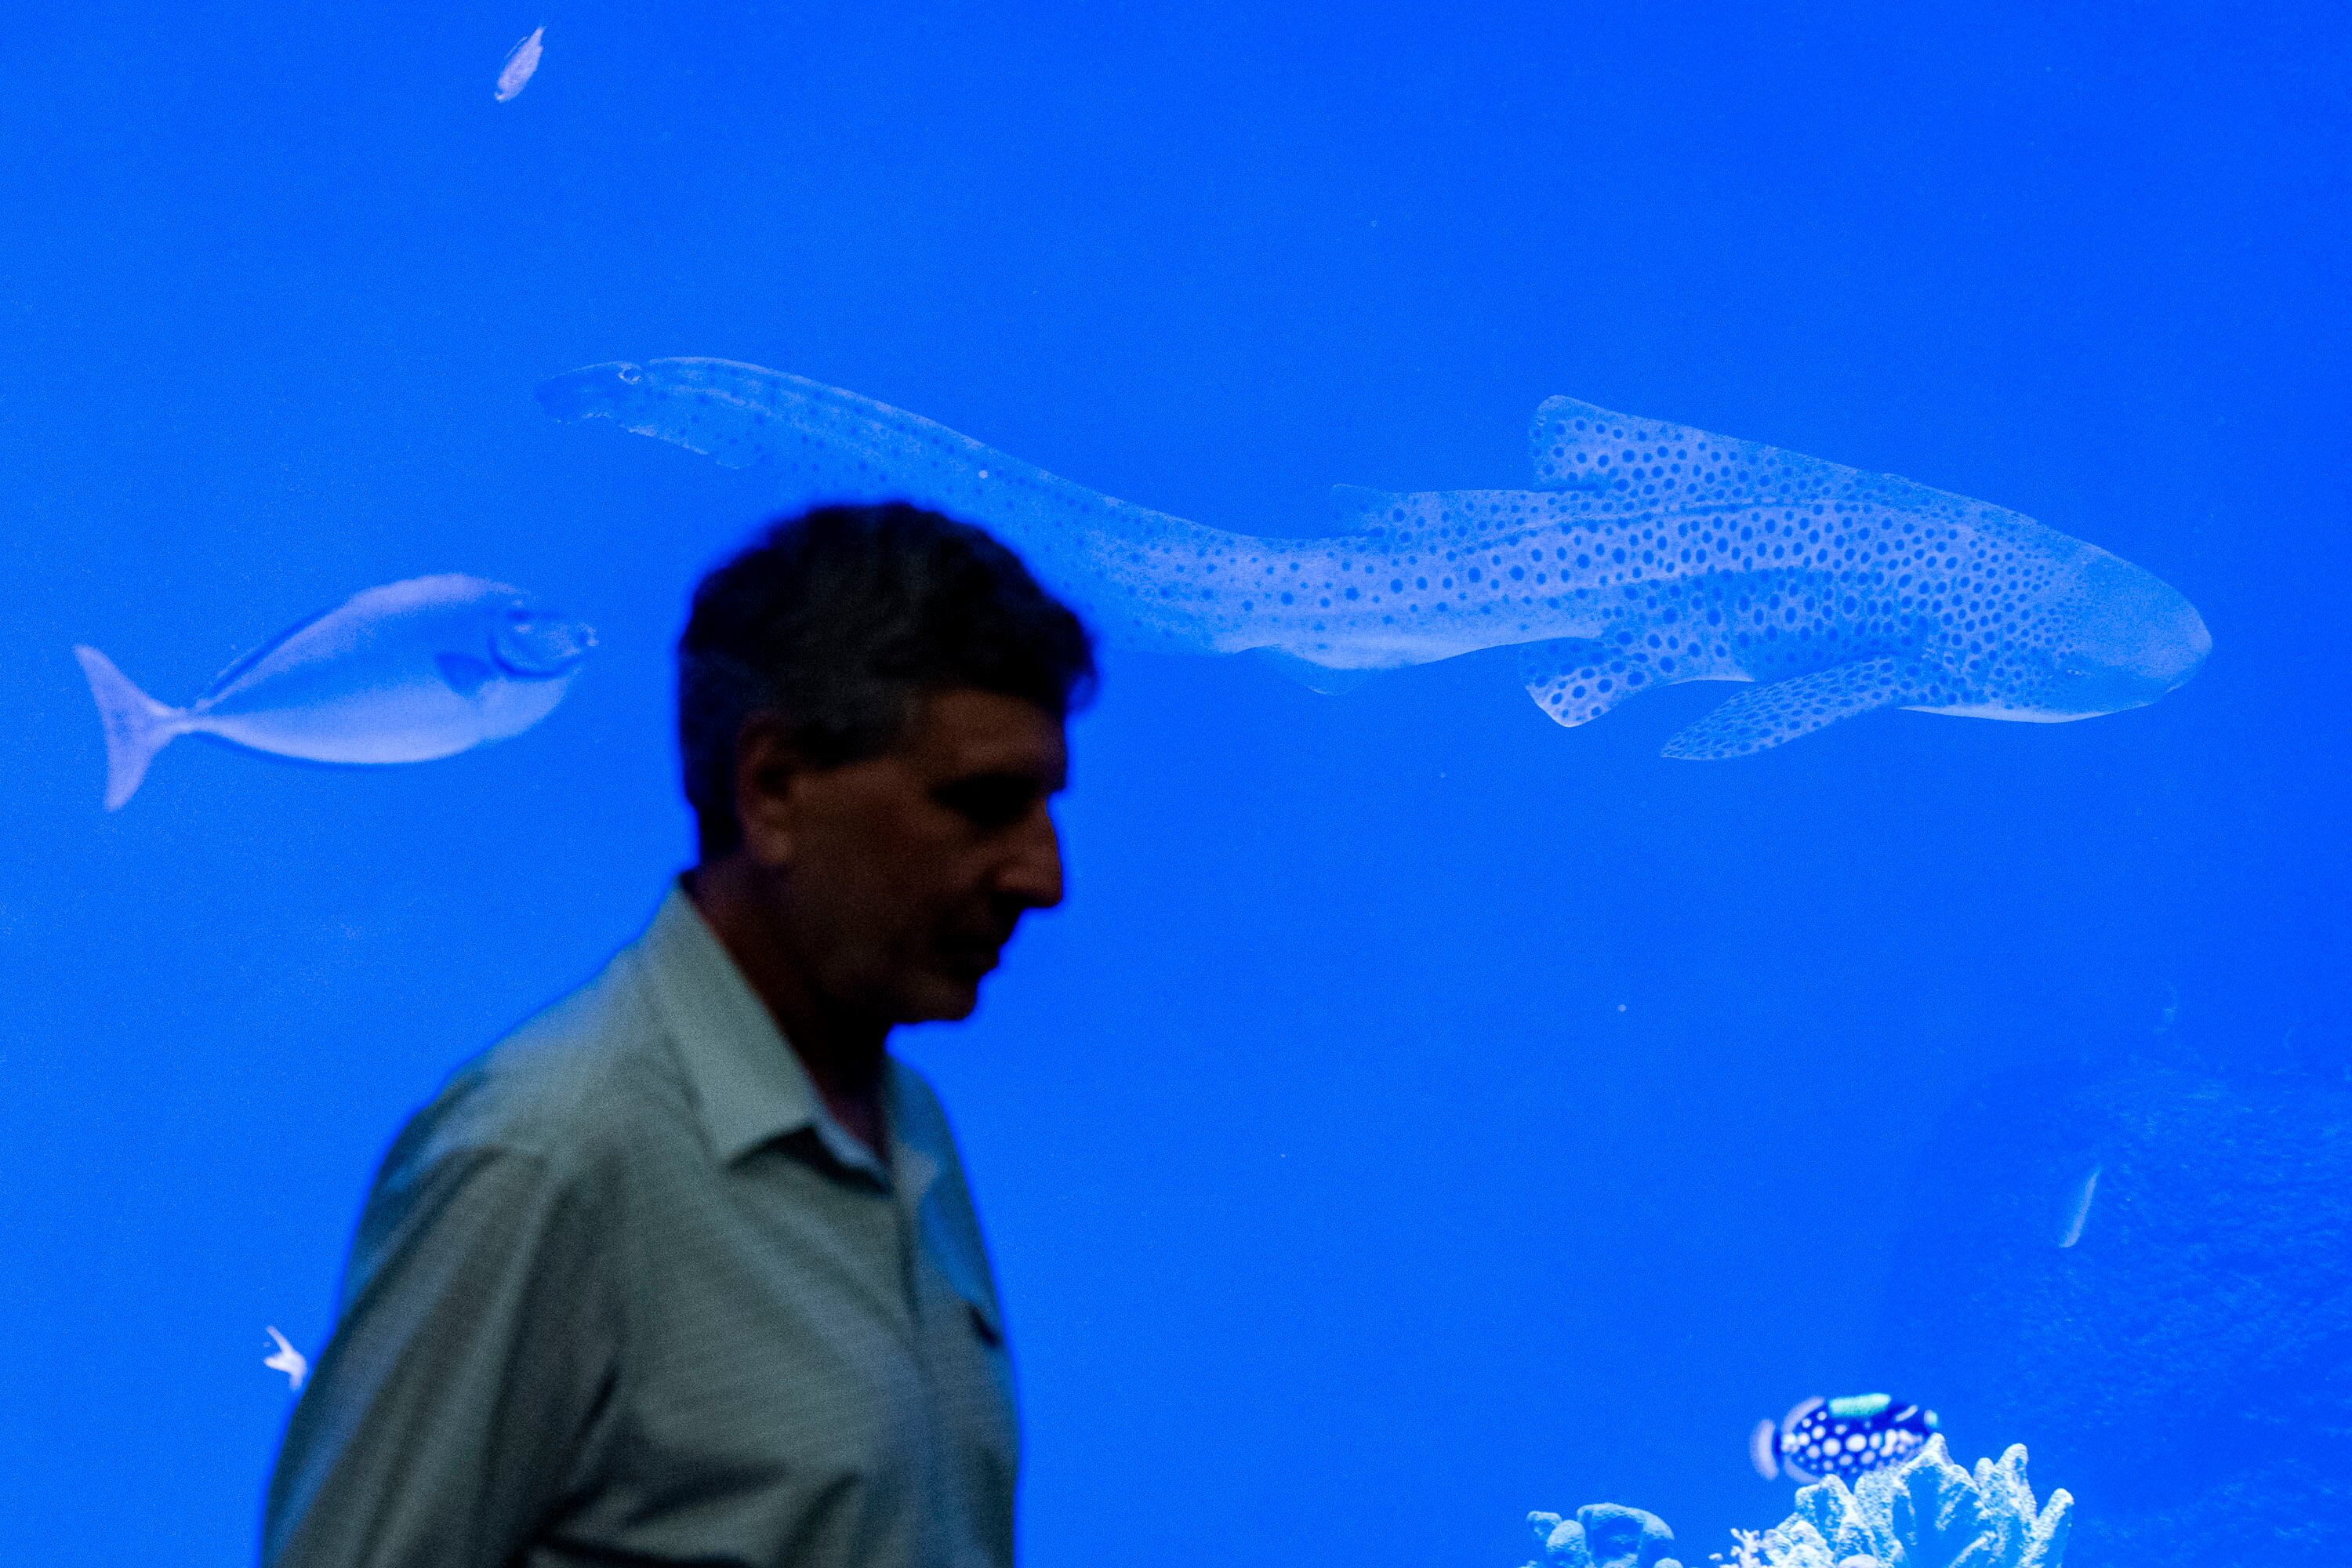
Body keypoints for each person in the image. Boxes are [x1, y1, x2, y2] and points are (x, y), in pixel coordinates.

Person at [262, 503, 1095, 1568]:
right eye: (982, 805)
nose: (1044, 876)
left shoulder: (909, 1128)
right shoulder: (547, 1157)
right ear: (774, 789)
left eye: (1046, 810)